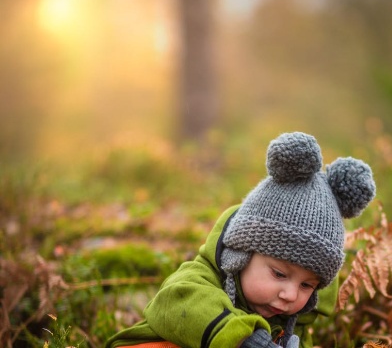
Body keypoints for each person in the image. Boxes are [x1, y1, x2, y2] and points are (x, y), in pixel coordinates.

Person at [105, 132, 376, 348]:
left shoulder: (294, 322)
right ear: (240, 254)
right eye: (279, 273)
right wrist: (242, 339)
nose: (290, 295)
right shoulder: (199, 279)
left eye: (307, 285)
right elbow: (172, 304)